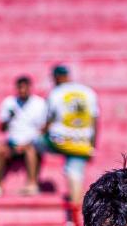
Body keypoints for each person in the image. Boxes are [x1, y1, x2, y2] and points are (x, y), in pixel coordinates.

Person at [41, 65, 100, 208]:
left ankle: (32, 183)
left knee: (33, 142)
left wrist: (42, 132)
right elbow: (94, 121)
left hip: (60, 140)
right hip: (83, 140)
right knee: (75, 173)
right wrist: (92, 146)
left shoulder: (56, 92)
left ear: (56, 77)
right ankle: (77, 209)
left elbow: (48, 119)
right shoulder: (87, 91)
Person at [0, 75, 48, 196]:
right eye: (20, 88)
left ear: (30, 88)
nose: (22, 90)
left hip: (31, 142)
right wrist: (8, 118)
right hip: (12, 143)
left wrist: (27, 143)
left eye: (25, 88)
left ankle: (32, 184)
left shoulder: (39, 103)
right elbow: (2, 129)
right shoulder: (9, 102)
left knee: (31, 151)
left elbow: (43, 128)